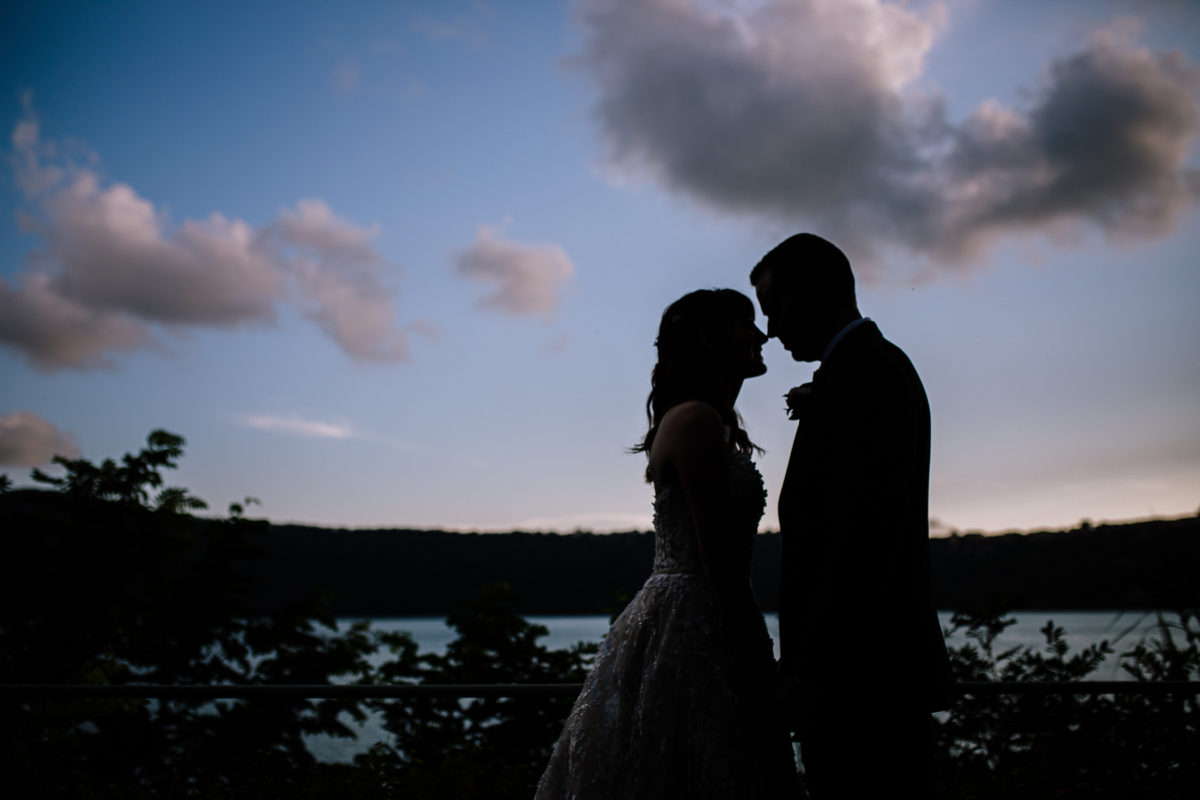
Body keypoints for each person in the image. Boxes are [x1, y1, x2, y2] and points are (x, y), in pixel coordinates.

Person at [534, 289, 798, 799]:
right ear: (710, 338)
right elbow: (719, 563)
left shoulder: (708, 421)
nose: (761, 334)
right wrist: (761, 662)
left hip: (690, 610)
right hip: (697, 618)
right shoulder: (696, 421)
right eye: (745, 323)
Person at [750, 233, 953, 798]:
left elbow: (862, 539)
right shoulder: (860, 368)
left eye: (776, 309)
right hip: (859, 675)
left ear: (813, 291)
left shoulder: (870, 373)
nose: (770, 330)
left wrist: (811, 675)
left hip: (862, 681)